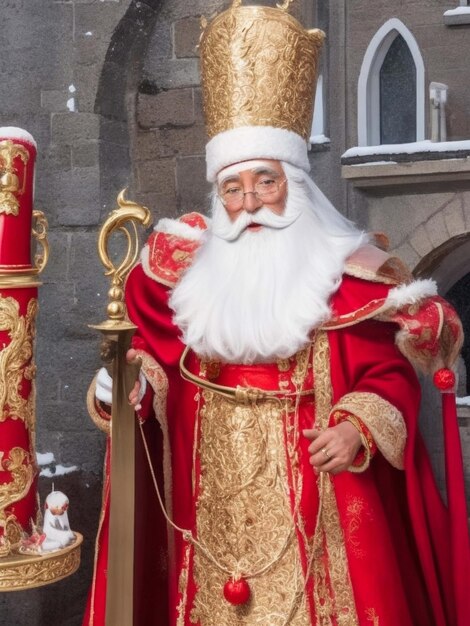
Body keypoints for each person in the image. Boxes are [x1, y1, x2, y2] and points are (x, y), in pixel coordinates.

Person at [84, 2, 470, 625]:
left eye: (265, 182)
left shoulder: (343, 277)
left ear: (294, 181)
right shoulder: (185, 278)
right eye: (233, 188)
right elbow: (158, 365)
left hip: (319, 501)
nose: (249, 204)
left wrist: (358, 428)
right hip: (207, 504)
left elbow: (389, 375)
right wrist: (127, 390)